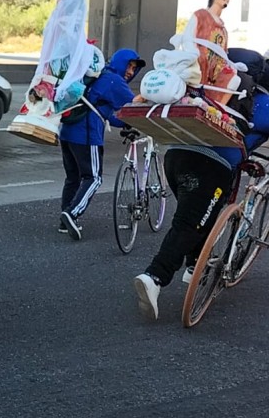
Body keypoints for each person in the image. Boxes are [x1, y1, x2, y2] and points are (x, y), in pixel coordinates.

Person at [133, 81, 269, 320]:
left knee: (197, 217)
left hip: (176, 157)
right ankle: (154, 277)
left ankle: (195, 266)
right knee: (189, 224)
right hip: (209, 167)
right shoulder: (264, 105)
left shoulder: (228, 91)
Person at [58, 48, 145, 239]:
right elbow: (132, 106)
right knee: (93, 177)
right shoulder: (114, 81)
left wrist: (121, 124)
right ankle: (72, 213)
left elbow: (102, 112)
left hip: (67, 131)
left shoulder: (99, 75)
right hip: (87, 135)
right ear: (120, 63)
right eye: (129, 66)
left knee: (73, 177)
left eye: (133, 68)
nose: (131, 71)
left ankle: (64, 221)